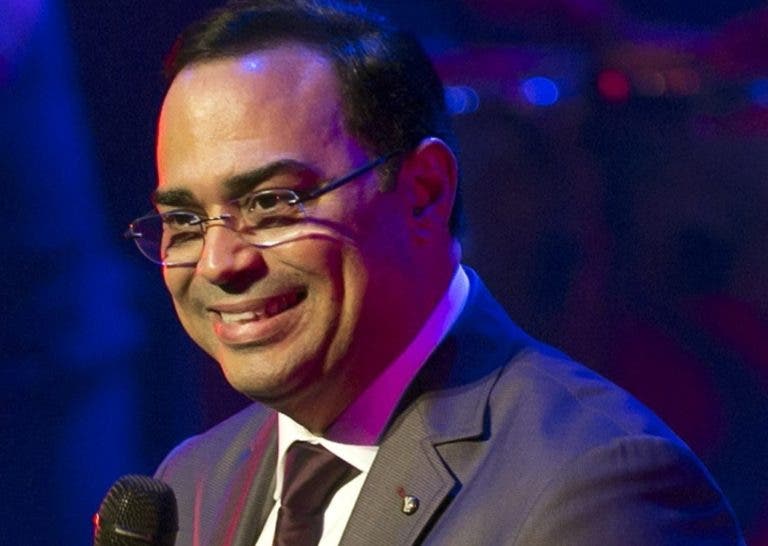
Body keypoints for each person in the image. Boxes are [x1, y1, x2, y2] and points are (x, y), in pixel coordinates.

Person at [125, 0, 744, 543]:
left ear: (425, 191)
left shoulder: (598, 487)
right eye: (184, 220)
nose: (218, 262)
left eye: (271, 203)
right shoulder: (192, 481)